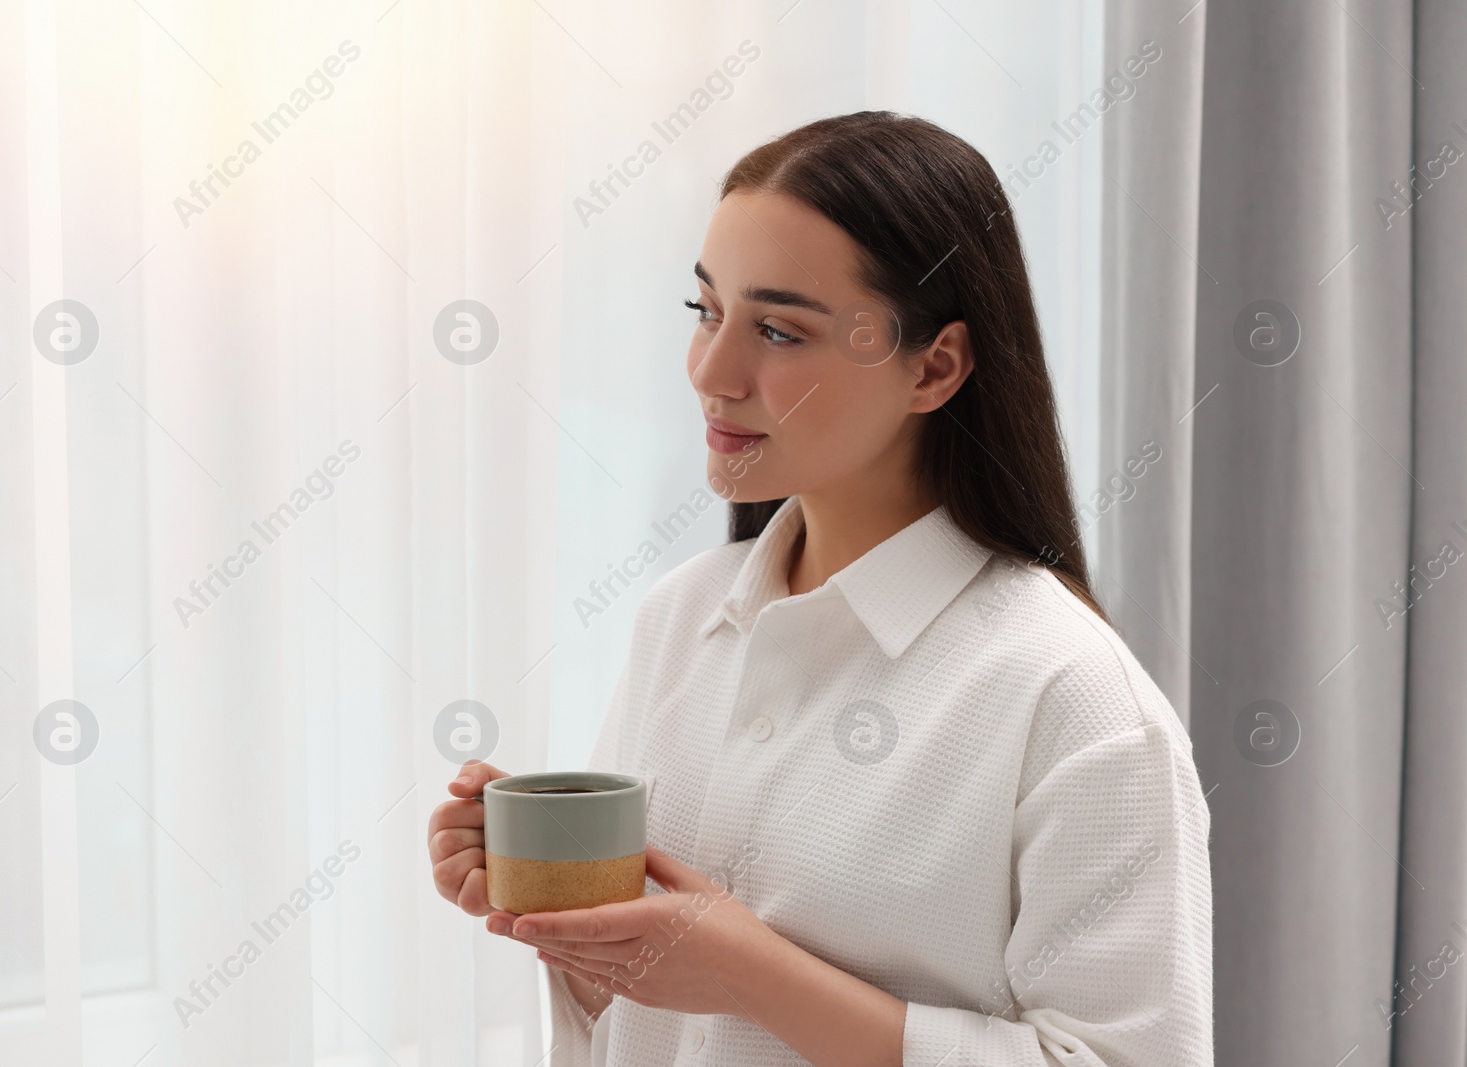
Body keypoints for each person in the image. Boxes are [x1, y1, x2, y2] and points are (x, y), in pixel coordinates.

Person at [427, 111, 1213, 1067]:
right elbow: (642, 1029)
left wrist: (751, 974)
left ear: (935, 365)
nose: (712, 374)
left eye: (777, 330)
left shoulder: (1077, 702)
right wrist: (565, 914)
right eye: (705, 311)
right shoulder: (680, 619)